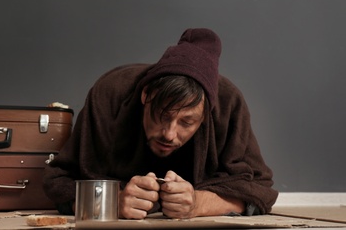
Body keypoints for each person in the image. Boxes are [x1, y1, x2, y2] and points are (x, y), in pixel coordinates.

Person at [43, 28, 278, 219]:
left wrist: (198, 204)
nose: (169, 134)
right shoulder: (110, 93)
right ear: (145, 96)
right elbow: (59, 182)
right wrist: (112, 202)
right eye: (162, 116)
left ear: (205, 117)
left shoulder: (228, 104)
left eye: (187, 122)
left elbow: (260, 191)